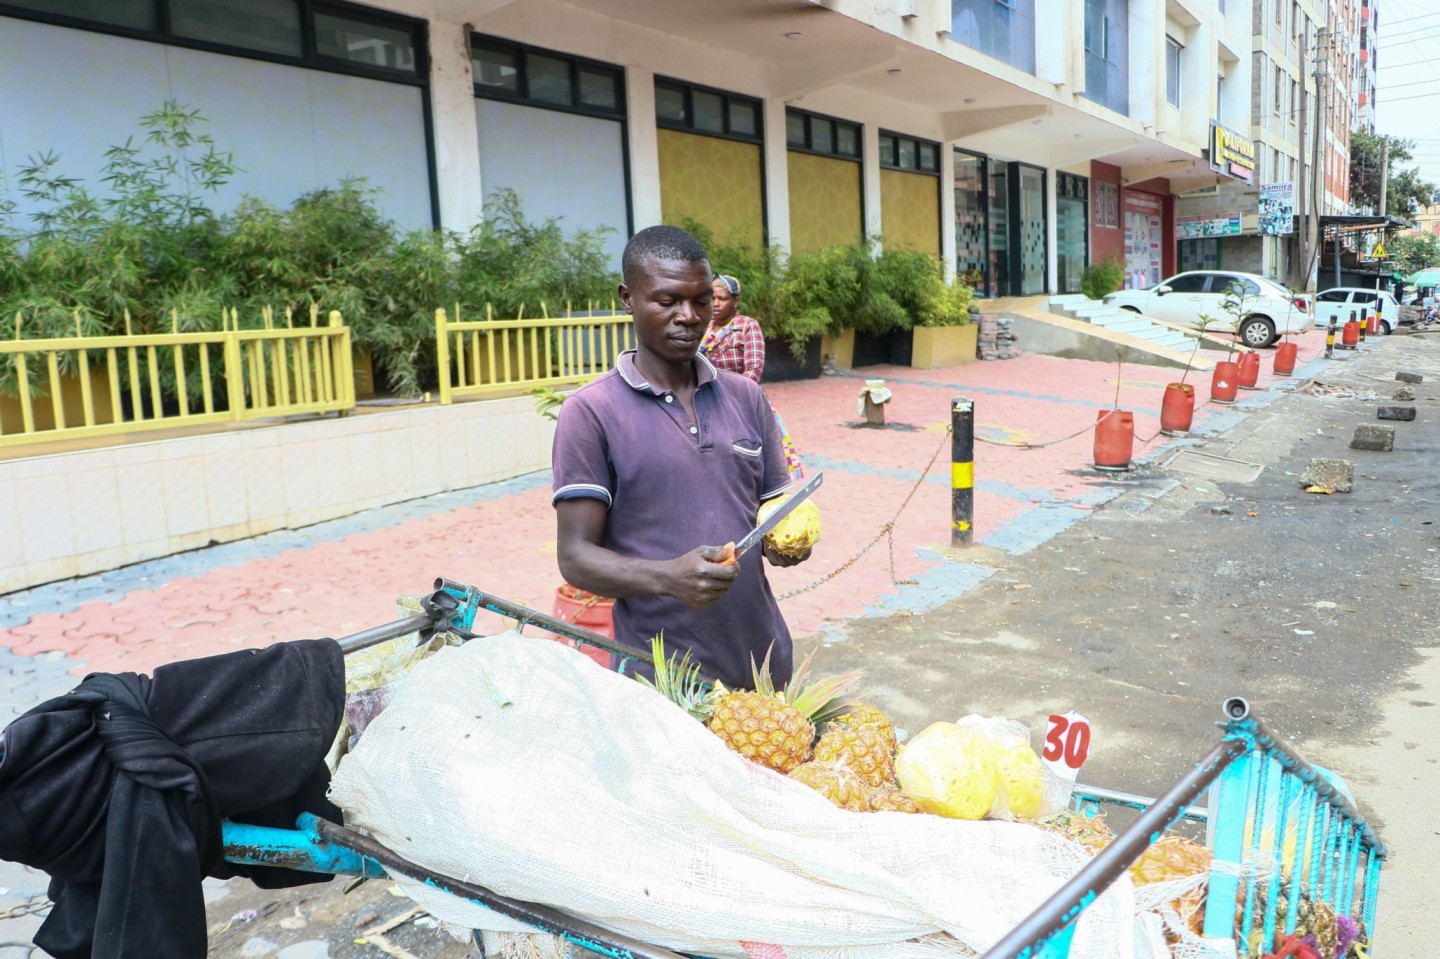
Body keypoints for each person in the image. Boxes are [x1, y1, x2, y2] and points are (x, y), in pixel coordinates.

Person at [550, 226, 811, 690]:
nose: (688, 317)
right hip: (664, 681)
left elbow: (774, 510)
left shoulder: (746, 397)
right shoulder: (591, 412)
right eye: (667, 302)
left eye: (701, 301)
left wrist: (787, 542)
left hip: (765, 662)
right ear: (628, 298)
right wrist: (668, 577)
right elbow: (575, 558)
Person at [703, 273, 803, 479]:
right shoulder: (704, 329)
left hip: (742, 402)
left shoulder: (747, 326)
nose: (716, 304)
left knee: (749, 457)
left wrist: (729, 399)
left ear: (736, 301)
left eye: (722, 299)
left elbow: (754, 369)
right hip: (707, 401)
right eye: (712, 298)